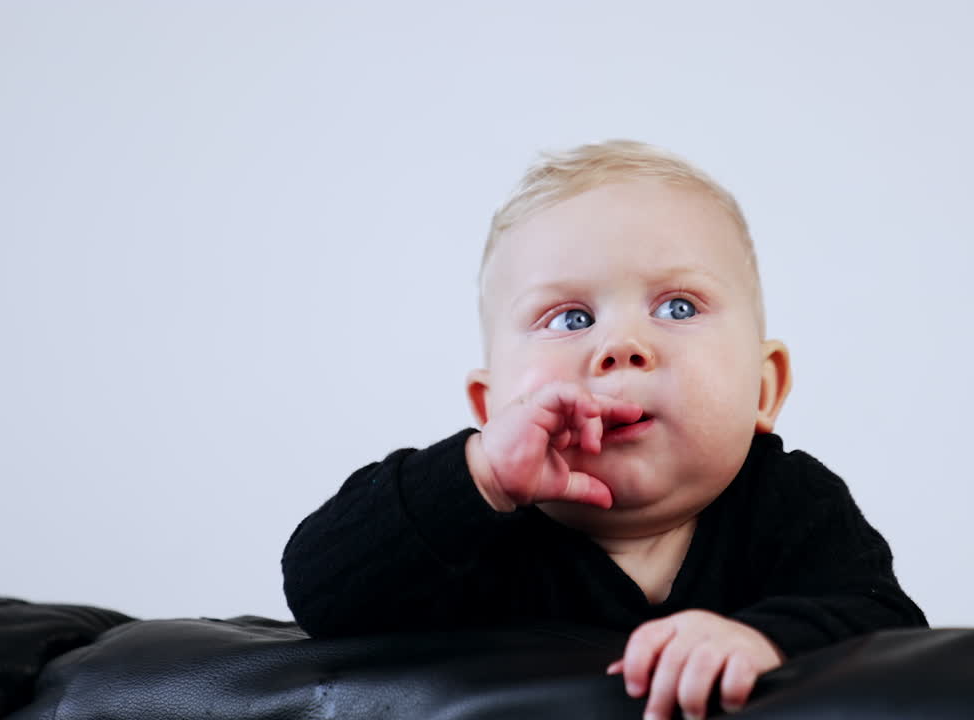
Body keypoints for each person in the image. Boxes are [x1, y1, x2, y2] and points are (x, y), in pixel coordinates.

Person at [281, 139, 927, 720]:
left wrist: (769, 640)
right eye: (569, 319)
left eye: (678, 306)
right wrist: (475, 475)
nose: (621, 345)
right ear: (491, 408)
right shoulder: (465, 529)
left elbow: (888, 632)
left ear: (764, 389)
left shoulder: (790, 505)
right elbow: (321, 591)